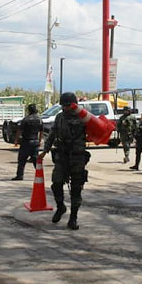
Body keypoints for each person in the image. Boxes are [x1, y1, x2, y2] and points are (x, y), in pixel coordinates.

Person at [39, 92, 90, 230]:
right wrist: (45, 150)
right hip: (62, 155)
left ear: (73, 105)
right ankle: (60, 207)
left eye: (67, 105)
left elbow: (95, 132)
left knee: (76, 189)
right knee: (56, 183)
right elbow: (52, 134)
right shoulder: (60, 117)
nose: (64, 108)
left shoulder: (83, 117)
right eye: (63, 106)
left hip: (77, 156)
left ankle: (73, 218)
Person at [12, 104, 43, 180]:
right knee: (35, 160)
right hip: (35, 142)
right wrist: (39, 140)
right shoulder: (39, 120)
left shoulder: (26, 119)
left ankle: (20, 175)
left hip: (26, 142)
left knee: (22, 160)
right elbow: (41, 131)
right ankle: (40, 175)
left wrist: (16, 140)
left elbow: (19, 130)